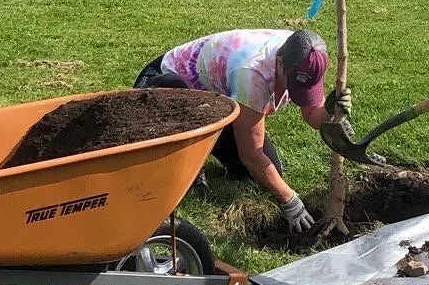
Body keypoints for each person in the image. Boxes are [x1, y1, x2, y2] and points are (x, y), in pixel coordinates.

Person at [135, 29, 351, 234]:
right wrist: (290, 200)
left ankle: (205, 140)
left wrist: (330, 110)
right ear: (280, 63)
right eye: (292, 85)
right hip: (165, 85)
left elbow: (313, 116)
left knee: (264, 172)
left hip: (215, 102)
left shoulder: (310, 58)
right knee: (243, 165)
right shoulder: (253, 74)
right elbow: (252, 154)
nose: (294, 93)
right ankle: (192, 159)